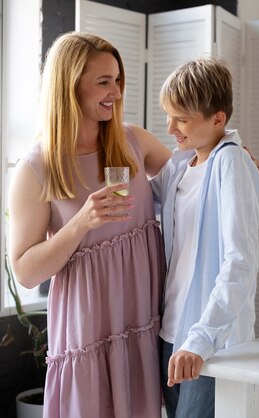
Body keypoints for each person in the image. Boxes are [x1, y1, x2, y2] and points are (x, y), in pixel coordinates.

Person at [8, 32, 172, 417]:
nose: (115, 92)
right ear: (69, 87)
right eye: (103, 82)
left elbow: (196, 182)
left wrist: (231, 157)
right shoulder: (36, 169)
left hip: (141, 320)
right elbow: (25, 272)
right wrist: (81, 222)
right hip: (88, 331)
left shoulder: (134, 141)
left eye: (117, 80)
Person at [151, 57, 259, 418]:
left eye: (181, 119)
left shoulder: (231, 163)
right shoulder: (181, 166)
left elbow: (240, 262)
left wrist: (201, 339)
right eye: (169, 116)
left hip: (209, 341)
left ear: (218, 118)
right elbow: (143, 199)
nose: (171, 129)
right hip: (171, 332)